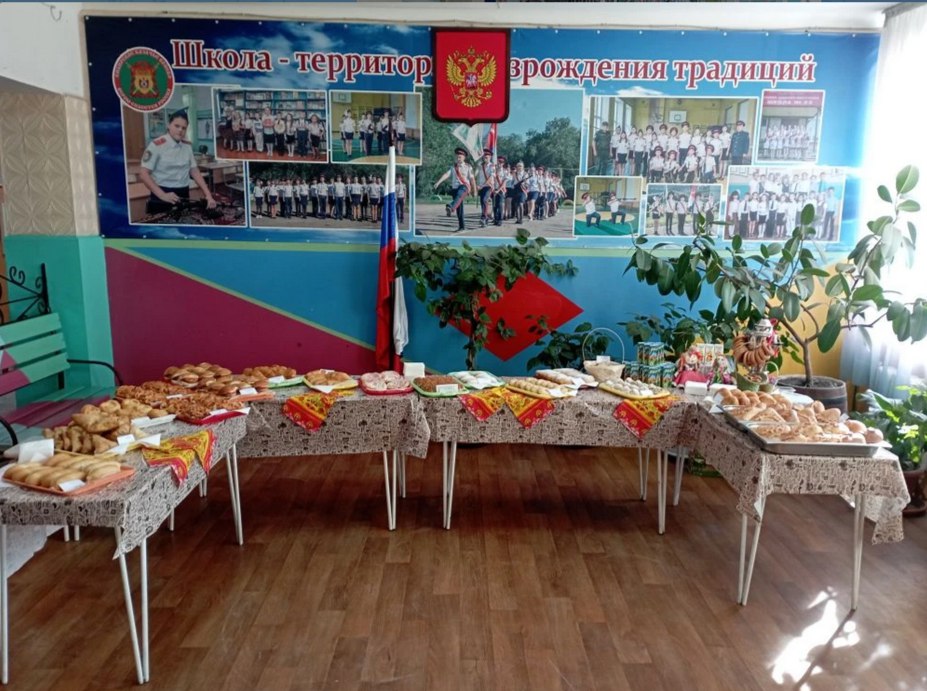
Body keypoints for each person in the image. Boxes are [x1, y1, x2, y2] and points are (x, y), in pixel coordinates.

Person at [138, 110, 216, 215]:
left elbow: (194, 171)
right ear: (168, 125)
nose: (180, 130)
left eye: (184, 128)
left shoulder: (187, 146)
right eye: (177, 126)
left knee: (185, 220)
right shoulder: (156, 145)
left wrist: (208, 195)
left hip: (183, 193)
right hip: (162, 193)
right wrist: (162, 195)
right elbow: (143, 174)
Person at [433, 147, 475, 232]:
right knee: (459, 208)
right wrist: (438, 182)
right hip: (455, 188)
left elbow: (472, 179)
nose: (458, 158)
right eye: (457, 157)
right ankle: (461, 227)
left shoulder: (468, 167)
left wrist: (474, 190)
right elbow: (446, 174)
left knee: (459, 194)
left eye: (460, 157)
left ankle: (450, 207)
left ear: (464, 157)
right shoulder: (453, 167)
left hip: (464, 187)